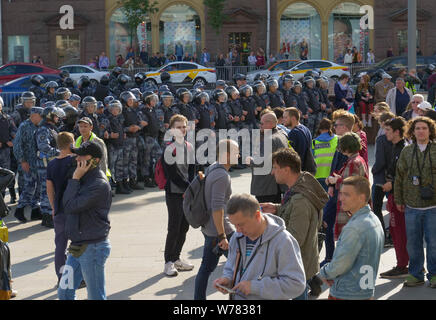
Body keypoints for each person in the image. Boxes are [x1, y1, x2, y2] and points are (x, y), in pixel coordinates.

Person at [261, 148, 328, 299]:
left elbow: (294, 238)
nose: (272, 172)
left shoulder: (300, 200)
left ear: (286, 170)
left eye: (275, 168)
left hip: (296, 266)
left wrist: (265, 229)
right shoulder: (299, 187)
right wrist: (277, 209)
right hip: (300, 263)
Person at [214, 193, 306, 300]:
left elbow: (296, 284)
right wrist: (227, 279)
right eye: (234, 225)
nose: (238, 230)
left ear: (257, 215)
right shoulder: (237, 237)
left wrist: (255, 287)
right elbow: (230, 267)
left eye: (241, 224)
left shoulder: (283, 241)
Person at [57, 141, 112, 300]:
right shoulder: (83, 178)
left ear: (95, 160)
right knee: (64, 293)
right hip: (78, 245)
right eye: (77, 154)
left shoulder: (98, 184)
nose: (77, 158)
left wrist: (74, 179)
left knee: (96, 296)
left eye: (82, 155)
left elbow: (70, 206)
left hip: (92, 247)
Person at [319, 176, 384, 300]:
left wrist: (324, 273)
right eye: (341, 193)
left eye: (347, 195)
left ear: (362, 197)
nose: (341, 198)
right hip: (365, 291)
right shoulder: (374, 220)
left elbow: (340, 264)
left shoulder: (354, 228)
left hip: (346, 293)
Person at [394, 117, 436, 288]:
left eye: (424, 128)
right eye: (417, 128)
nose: (420, 131)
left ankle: (434, 275)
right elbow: (399, 177)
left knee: (434, 243)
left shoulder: (435, 150)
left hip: (433, 205)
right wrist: (398, 199)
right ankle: (415, 274)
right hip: (411, 205)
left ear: (430, 130)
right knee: (413, 242)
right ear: (412, 131)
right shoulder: (407, 151)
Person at [194, 139, 238, 300]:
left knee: (206, 268)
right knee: (240, 268)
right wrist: (222, 236)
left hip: (210, 229)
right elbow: (217, 207)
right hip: (220, 231)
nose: (238, 155)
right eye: (235, 152)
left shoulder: (213, 167)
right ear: (226, 155)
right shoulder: (221, 175)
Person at [161, 115, 196, 276]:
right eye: (178, 127)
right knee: (174, 227)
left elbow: (191, 170)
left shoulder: (189, 146)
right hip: (174, 192)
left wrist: (191, 186)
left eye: (184, 126)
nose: (182, 129)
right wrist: (189, 188)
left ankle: (176, 258)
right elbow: (172, 174)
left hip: (186, 191)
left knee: (184, 227)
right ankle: (168, 262)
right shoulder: (169, 147)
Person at [379, 117, 409, 278]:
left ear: (397, 132)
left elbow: (407, 175)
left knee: (400, 233)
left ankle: (403, 266)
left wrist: (392, 183)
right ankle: (405, 263)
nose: (385, 133)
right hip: (394, 195)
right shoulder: (395, 146)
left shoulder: (403, 148)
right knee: (398, 232)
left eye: (388, 130)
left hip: (399, 197)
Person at [46, 132, 76, 284]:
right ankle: (78, 277)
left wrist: (53, 207)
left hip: (59, 208)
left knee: (60, 246)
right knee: (78, 244)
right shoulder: (75, 160)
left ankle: (62, 278)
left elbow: (49, 188)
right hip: (75, 208)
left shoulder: (51, 164)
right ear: (71, 143)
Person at [327, 132, 369, 239]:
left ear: (346, 148)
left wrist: (335, 180)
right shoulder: (357, 160)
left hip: (351, 211)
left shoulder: (353, 162)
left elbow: (351, 185)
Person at [245, 113, 288, 203]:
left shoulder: (269, 139)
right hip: (276, 184)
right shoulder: (282, 134)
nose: (260, 126)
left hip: (266, 185)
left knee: (266, 213)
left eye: (262, 124)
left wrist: (250, 160)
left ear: (271, 124)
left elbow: (261, 162)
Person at [12, 107, 44, 222]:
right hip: (27, 162)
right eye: (40, 116)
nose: (42, 118)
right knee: (29, 187)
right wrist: (22, 161)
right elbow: (17, 145)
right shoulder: (24, 126)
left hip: (37, 162)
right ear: (34, 115)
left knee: (38, 187)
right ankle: (19, 210)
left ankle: (35, 210)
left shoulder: (39, 126)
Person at [36, 107, 64, 228]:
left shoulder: (51, 128)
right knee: (46, 190)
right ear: (50, 116)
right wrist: (60, 153)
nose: (58, 118)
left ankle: (50, 214)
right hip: (44, 163)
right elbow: (44, 147)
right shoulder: (43, 130)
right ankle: (46, 216)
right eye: (56, 116)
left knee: (52, 189)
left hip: (51, 163)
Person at [284, 107, 315, 174]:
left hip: (298, 171)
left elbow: (292, 155)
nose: (283, 120)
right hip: (307, 170)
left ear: (293, 118)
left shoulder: (294, 133)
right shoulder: (306, 129)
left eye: (285, 117)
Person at [312, 118, 338, 190]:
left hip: (318, 174)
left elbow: (311, 160)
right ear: (330, 128)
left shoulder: (314, 142)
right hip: (331, 174)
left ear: (320, 129)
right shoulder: (336, 139)